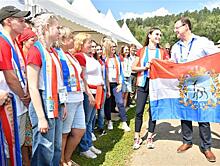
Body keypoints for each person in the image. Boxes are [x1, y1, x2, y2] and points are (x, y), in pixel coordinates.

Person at [171, 17, 220, 162]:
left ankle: (206, 147)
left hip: (202, 85)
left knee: (203, 115)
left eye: (177, 27)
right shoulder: (175, 47)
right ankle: (187, 141)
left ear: (186, 26)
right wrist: (157, 63)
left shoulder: (202, 42)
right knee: (185, 113)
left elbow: (216, 56)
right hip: (185, 86)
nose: (175, 30)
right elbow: (172, 64)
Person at [26, 13, 66, 165]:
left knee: (55, 145)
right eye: (58, 27)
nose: (60, 31)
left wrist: (63, 103)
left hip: (55, 100)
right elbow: (33, 87)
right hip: (43, 101)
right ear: (47, 28)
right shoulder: (36, 51)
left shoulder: (53, 52)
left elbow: (59, 81)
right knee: (44, 147)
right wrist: (41, 117)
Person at [0, 5, 31, 163]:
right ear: (8, 21)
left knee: (16, 145)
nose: (25, 24)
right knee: (9, 148)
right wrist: (24, 96)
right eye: (21, 20)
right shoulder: (2, 42)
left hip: (17, 103)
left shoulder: (13, 43)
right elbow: (10, 77)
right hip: (10, 104)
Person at [132, 27, 169, 150]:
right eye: (156, 34)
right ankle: (137, 137)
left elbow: (168, 66)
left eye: (160, 35)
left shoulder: (163, 52)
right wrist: (144, 67)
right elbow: (133, 68)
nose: (159, 37)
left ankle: (149, 137)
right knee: (139, 111)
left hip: (156, 85)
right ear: (149, 35)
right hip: (143, 83)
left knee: (153, 111)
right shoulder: (141, 51)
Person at [57, 26, 86, 166]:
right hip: (68, 99)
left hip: (78, 97)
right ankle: (62, 161)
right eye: (71, 38)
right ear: (62, 40)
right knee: (64, 133)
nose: (73, 40)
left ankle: (67, 157)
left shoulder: (70, 55)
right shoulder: (57, 55)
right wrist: (62, 102)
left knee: (80, 130)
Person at [74, 33, 103, 159]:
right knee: (85, 121)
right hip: (88, 92)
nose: (91, 44)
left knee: (91, 120)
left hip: (96, 90)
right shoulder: (80, 56)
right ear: (81, 44)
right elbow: (83, 78)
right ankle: (84, 147)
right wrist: (89, 94)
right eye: (88, 42)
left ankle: (89, 143)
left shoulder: (89, 56)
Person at [18, 27, 37, 166]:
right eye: (32, 40)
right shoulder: (19, 56)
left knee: (30, 134)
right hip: (23, 99)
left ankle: (30, 159)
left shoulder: (33, 54)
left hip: (32, 99)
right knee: (24, 135)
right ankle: (26, 161)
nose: (35, 42)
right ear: (24, 41)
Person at [103, 39, 131, 132]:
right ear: (108, 47)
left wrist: (121, 83)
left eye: (115, 47)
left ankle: (124, 122)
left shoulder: (117, 58)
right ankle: (109, 121)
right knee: (108, 103)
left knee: (120, 102)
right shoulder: (104, 58)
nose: (114, 48)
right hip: (107, 84)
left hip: (116, 84)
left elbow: (121, 72)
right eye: (112, 47)